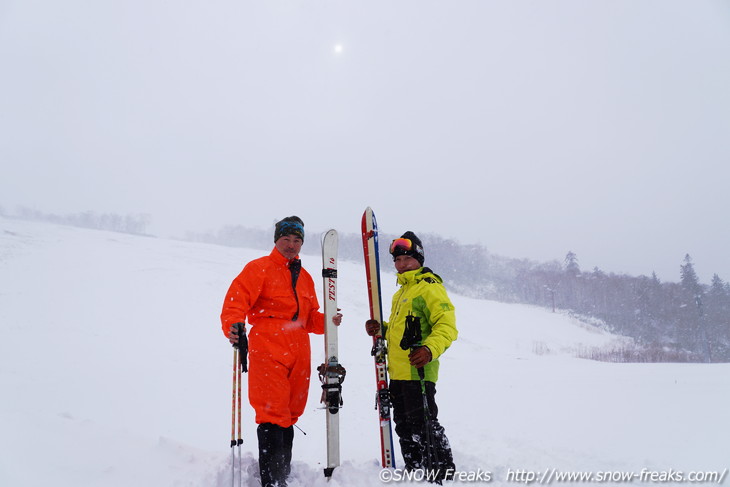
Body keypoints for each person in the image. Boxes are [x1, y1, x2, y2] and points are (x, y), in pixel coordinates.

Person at [221, 216, 342, 487]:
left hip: (299, 348)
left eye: (297, 240)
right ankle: (273, 480)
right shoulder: (259, 269)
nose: (291, 245)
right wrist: (233, 326)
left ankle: (282, 473)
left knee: (290, 412)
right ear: (276, 240)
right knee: (272, 412)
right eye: (286, 239)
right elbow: (236, 300)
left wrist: (328, 321)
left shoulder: (307, 279)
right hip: (268, 343)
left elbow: (308, 318)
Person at [365, 231, 457, 481]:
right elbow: (402, 333)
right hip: (398, 373)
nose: (401, 264)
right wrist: (381, 329)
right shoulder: (402, 293)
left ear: (419, 258)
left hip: (419, 373)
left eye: (406, 259)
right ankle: (415, 470)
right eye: (397, 260)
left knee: (423, 425)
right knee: (404, 426)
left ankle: (441, 472)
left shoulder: (429, 288)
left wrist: (429, 350)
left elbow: (447, 327)